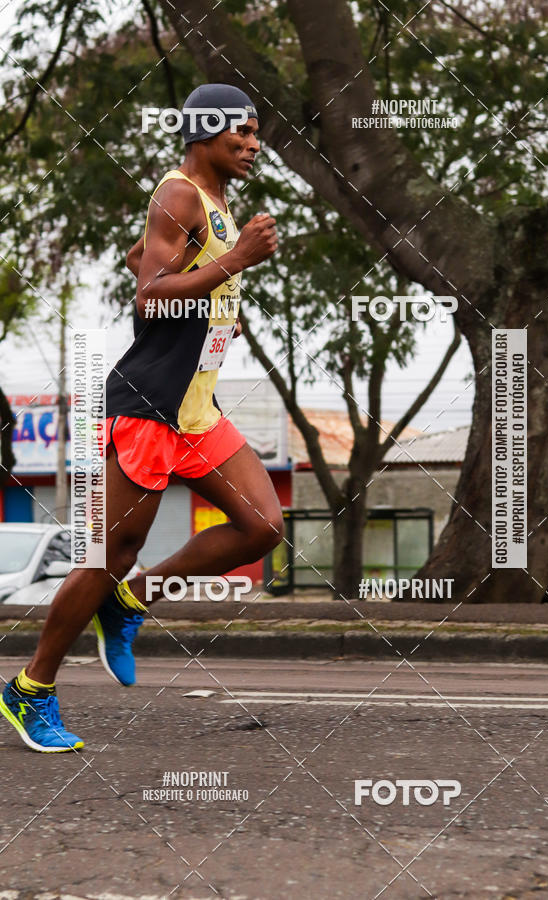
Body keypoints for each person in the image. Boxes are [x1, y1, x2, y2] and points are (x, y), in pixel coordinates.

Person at [0, 83, 283, 753]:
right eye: (242, 132)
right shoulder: (178, 194)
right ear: (204, 132)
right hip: (150, 406)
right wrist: (236, 261)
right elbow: (150, 296)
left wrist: (214, 310)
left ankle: (131, 603)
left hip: (196, 411)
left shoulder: (212, 202)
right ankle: (31, 688)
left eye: (256, 133)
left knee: (262, 525)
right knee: (110, 553)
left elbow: (143, 259)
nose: (254, 144)